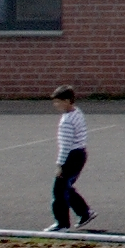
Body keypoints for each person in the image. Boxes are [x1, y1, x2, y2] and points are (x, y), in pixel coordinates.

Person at [48, 87, 96, 232]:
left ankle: (62, 223)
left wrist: (60, 164)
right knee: (66, 187)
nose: (55, 105)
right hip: (80, 154)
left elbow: (65, 146)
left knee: (59, 191)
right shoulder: (77, 112)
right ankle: (85, 212)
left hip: (72, 156)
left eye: (58, 102)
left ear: (67, 101)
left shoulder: (67, 121)